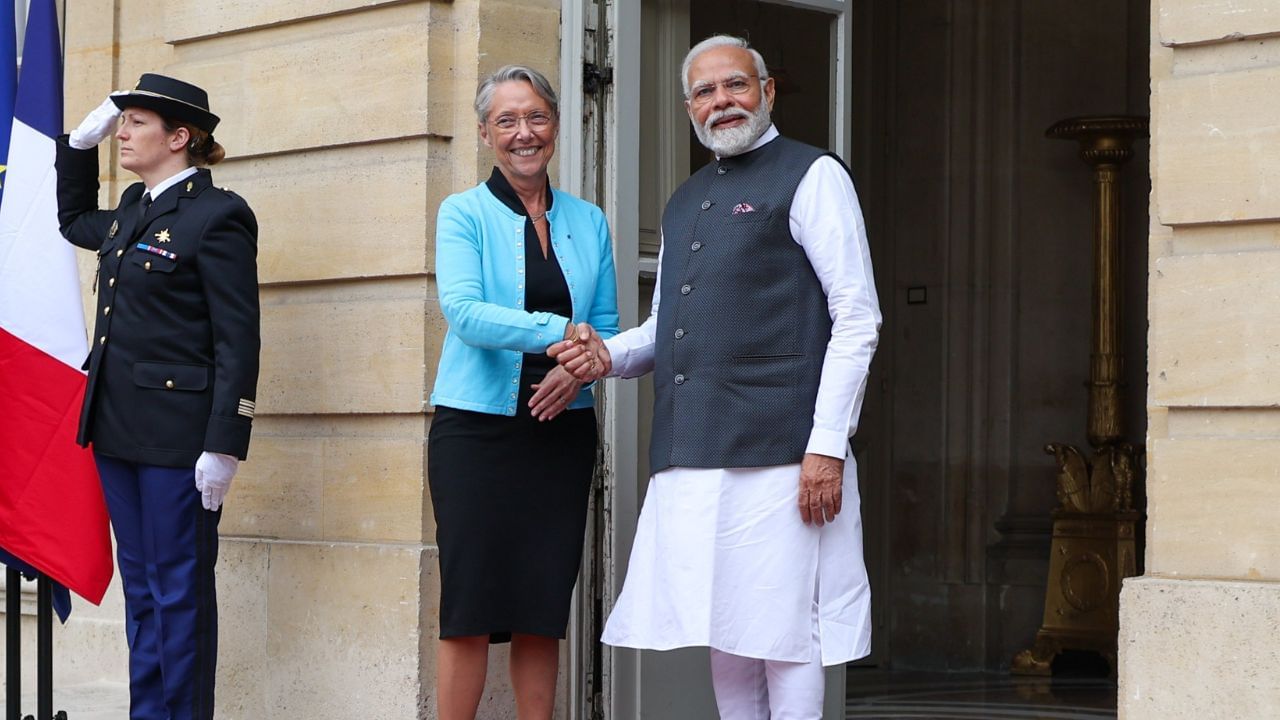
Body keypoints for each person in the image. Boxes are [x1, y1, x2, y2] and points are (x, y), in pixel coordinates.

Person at [550, 35, 882, 719]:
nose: (721, 101)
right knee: (723, 633)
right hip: (693, 453)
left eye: (735, 85)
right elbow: (667, 325)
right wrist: (607, 355)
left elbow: (858, 317)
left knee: (787, 635)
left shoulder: (813, 174)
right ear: (688, 107)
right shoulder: (685, 199)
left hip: (782, 453)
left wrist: (825, 444)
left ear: (767, 91)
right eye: (705, 91)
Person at [55, 73, 259, 720]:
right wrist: (76, 146)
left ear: (180, 137)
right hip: (116, 430)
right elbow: (70, 220)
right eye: (122, 122)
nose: (123, 132)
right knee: (141, 592)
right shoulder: (133, 212)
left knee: (180, 595)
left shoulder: (217, 214)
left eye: (135, 122)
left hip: (179, 441)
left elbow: (238, 340)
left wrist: (225, 443)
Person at [428, 64, 619, 720]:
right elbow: (465, 312)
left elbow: (611, 333)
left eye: (536, 117)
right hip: (476, 432)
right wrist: (560, 333)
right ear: (485, 133)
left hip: (562, 432)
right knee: (471, 606)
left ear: (557, 127)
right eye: (507, 120)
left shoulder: (590, 221)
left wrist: (580, 369)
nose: (523, 132)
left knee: (543, 605)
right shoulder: (462, 213)